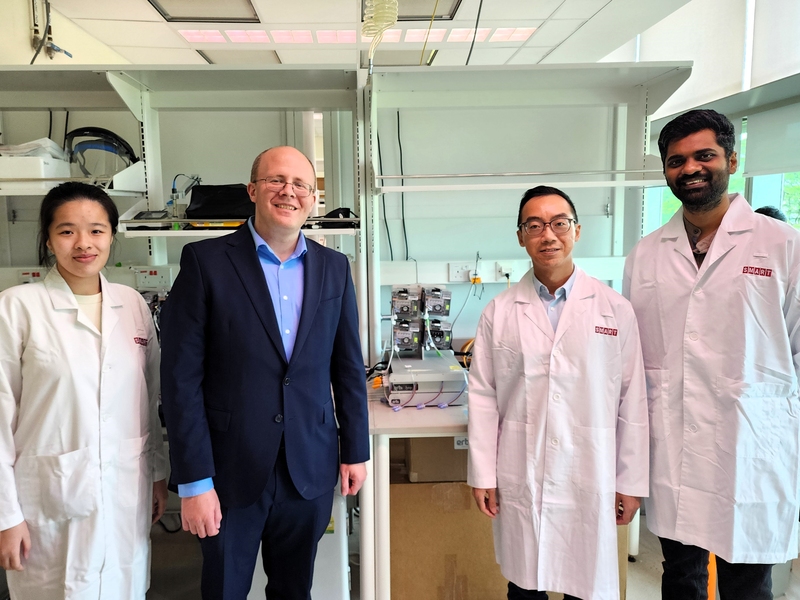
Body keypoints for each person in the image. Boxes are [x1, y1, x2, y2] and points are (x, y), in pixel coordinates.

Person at [160, 146, 369, 600]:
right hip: (228, 472)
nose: (288, 191)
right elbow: (180, 380)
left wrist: (355, 449)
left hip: (308, 470)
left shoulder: (334, 268)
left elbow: (348, 367)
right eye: (276, 180)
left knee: (295, 591)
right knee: (224, 590)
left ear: (312, 199)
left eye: (300, 184)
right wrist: (195, 481)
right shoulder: (205, 262)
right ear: (253, 190)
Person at [623, 109, 800, 600]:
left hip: (752, 445)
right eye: (676, 161)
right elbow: (635, 356)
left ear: (732, 158)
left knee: (747, 585)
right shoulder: (646, 254)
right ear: (665, 171)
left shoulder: (783, 246)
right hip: (675, 444)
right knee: (680, 579)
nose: (691, 169)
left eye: (704, 155)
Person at [468, 185, 649, 600]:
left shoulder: (614, 309)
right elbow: (482, 396)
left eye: (558, 223)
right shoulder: (499, 311)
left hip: (591, 472)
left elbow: (632, 399)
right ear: (520, 236)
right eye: (534, 225)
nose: (547, 234)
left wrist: (631, 480)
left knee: (584, 583)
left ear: (577, 230)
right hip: (522, 470)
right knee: (525, 585)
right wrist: (483, 473)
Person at [0, 182, 168, 599]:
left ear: (112, 234)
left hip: (126, 490)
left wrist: (158, 475)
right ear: (48, 239)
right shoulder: (17, 307)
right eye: (67, 231)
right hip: (46, 504)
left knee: (123, 587)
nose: (83, 244)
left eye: (96, 230)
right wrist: (5, 517)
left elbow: (150, 399)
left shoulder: (131, 304)